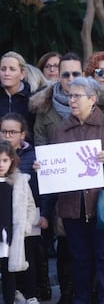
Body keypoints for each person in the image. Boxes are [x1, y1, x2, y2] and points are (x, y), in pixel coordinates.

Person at [43, 76, 104, 303]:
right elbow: (56, 167)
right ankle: (81, 299)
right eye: (69, 96)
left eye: (76, 96)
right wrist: (43, 167)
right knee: (80, 259)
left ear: (92, 99)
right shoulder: (61, 131)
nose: (71, 100)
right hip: (73, 207)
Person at [0, 113, 51, 303]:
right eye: (3, 131)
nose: (7, 135)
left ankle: (31, 294)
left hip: (27, 216)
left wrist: (43, 214)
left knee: (28, 256)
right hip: (4, 222)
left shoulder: (34, 155)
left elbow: (44, 188)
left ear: (23, 134)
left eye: (12, 132)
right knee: (7, 264)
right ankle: (13, 294)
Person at [0, 139, 36, 304]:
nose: (1, 164)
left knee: (9, 271)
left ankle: (9, 300)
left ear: (12, 160)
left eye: (5, 160)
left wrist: (26, 226)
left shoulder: (20, 181)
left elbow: (30, 205)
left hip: (9, 235)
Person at [0, 51, 35, 140]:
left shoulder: (33, 100)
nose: (6, 73)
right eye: (3, 69)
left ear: (22, 74)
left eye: (12, 69)